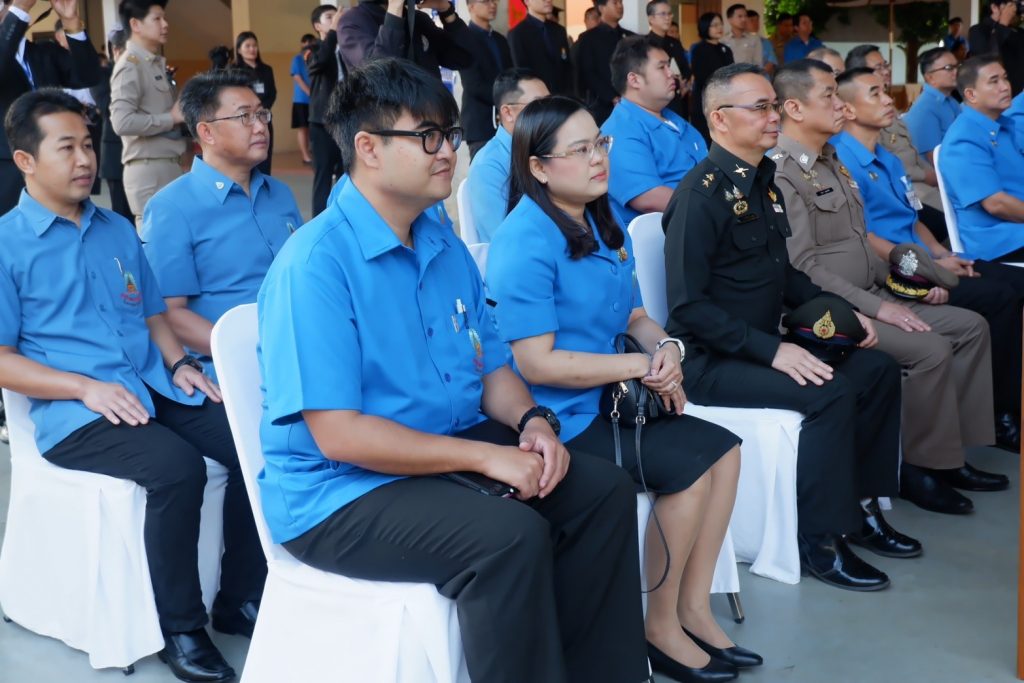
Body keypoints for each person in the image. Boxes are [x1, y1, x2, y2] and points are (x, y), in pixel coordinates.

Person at [257, 57, 652, 683]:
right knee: (507, 536)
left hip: (442, 449)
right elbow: (339, 434)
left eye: (449, 134)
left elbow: (492, 363)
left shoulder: (440, 242)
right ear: (367, 148)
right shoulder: (316, 266)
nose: (448, 152)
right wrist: (485, 458)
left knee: (599, 491)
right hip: (340, 491)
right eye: (428, 137)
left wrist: (534, 421)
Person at [0, 88, 266, 683]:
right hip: (78, 414)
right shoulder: (5, 245)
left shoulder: (117, 229)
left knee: (252, 440)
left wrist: (178, 365)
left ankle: (241, 595)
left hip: (150, 386)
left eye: (88, 145)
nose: (85, 160)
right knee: (177, 468)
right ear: (25, 160)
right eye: (65, 147)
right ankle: (182, 629)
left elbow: (151, 315)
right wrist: (79, 387)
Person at [489, 94, 756, 683]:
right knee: (687, 468)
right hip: (561, 417)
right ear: (537, 165)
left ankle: (691, 608)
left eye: (600, 144)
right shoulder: (525, 240)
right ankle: (659, 627)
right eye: (580, 149)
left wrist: (665, 350)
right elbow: (537, 362)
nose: (597, 159)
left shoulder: (602, 220)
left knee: (727, 450)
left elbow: (635, 315)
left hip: (611, 399)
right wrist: (636, 370)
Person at [663, 63, 912, 592]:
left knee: (876, 368)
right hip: (712, 362)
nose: (773, 116)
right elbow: (688, 309)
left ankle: (864, 510)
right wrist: (772, 353)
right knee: (830, 392)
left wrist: (849, 317)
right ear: (719, 120)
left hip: (760, 345)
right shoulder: (699, 197)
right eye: (760, 107)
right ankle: (820, 540)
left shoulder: (764, 183)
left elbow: (786, 276)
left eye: (773, 105)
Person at [773, 59, 1009, 515]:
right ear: (795, 109)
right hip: (832, 308)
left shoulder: (831, 161)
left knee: (970, 326)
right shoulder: (783, 173)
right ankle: (919, 469)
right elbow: (802, 267)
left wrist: (911, 289)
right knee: (931, 349)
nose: (839, 106)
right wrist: (879, 310)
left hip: (874, 291)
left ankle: (951, 452)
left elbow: (863, 245)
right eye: (829, 96)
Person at [834, 65, 1024, 453]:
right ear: (848, 110)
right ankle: (1001, 415)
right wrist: (926, 272)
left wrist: (943, 254)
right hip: (895, 270)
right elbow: (863, 236)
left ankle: (999, 408)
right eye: (875, 93)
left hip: (922, 258)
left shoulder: (885, 156)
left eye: (885, 90)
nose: (889, 99)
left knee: (1011, 284)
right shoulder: (843, 161)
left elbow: (911, 217)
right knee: (999, 297)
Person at [142, 69, 302, 384]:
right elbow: (170, 314)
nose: (260, 127)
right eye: (244, 117)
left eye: (261, 114)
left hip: (303, 348)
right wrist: (253, 347)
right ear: (207, 133)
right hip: (232, 368)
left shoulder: (280, 194)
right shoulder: (171, 208)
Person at [0, 0, 101, 214]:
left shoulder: (43, 52)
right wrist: (20, 8)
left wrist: (70, 20)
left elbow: (89, 75)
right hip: (7, 171)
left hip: (56, 166)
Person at [603, 35, 707, 224]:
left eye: (670, 66)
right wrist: (717, 207)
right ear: (634, 80)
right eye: (662, 67)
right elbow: (648, 198)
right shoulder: (620, 129)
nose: (672, 73)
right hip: (664, 237)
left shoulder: (675, 120)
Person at [846, 44, 947, 236]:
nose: (886, 71)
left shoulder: (889, 112)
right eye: (879, 67)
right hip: (910, 187)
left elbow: (911, 154)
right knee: (943, 221)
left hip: (914, 187)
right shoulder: (860, 132)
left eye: (886, 65)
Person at [941, 56, 1024, 263]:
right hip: (1000, 239)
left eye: (1005, 79)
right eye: (994, 81)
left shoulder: (1002, 125)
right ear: (971, 94)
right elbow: (996, 204)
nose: (1005, 87)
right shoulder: (964, 138)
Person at [110, 0, 186, 223]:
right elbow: (121, 122)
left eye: (164, 18)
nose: (165, 24)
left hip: (167, 164)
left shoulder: (152, 63)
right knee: (156, 249)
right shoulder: (130, 66)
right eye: (156, 18)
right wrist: (170, 119)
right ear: (135, 24)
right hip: (148, 169)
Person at [465, 68, 549, 242]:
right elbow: (504, 238)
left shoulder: (548, 147)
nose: (549, 112)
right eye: (538, 105)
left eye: (550, 103)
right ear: (508, 113)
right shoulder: (487, 166)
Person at [337, 0, 471, 77]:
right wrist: (395, 7)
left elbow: (463, 59)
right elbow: (378, 74)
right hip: (388, 123)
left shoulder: (418, 19)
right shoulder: (352, 21)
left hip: (432, 118)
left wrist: (445, 9)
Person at [459, 0, 512, 158]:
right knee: (484, 175)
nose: (492, 5)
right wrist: (505, 99)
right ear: (471, 6)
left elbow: (510, 75)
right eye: (485, 1)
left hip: (506, 122)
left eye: (494, 1)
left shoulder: (500, 39)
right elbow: (473, 84)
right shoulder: (465, 39)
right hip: (480, 123)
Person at [307, 4, 345, 216]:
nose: (336, 20)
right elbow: (319, 63)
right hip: (321, 123)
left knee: (346, 174)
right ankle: (319, 222)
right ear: (318, 26)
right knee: (323, 176)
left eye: (337, 16)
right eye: (329, 17)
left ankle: (343, 217)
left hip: (345, 120)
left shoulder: (345, 46)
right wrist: (332, 33)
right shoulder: (312, 49)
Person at [92, 27, 132, 222]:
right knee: (121, 212)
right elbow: (106, 106)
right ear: (115, 50)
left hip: (143, 149)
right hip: (116, 151)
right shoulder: (102, 74)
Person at [574, 0, 633, 125]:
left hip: (632, 102)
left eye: (621, 2)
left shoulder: (630, 37)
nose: (620, 6)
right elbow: (588, 73)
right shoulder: (588, 38)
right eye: (615, 3)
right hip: (602, 105)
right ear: (601, 8)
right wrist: (611, 97)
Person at [903, 48, 961, 162]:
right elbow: (933, 158)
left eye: (958, 66)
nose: (956, 71)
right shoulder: (924, 108)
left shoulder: (950, 101)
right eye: (949, 68)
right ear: (930, 77)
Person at [232, 31, 276, 176]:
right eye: (248, 46)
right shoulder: (234, 71)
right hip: (244, 121)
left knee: (264, 156)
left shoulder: (266, 69)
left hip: (264, 117)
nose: (252, 49)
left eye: (254, 45)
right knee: (247, 158)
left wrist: (260, 111)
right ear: (239, 49)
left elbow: (272, 93)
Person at [508, 0, 573, 96]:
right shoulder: (518, 34)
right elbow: (521, 72)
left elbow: (567, 67)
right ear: (527, 1)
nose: (548, 0)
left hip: (562, 98)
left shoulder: (559, 30)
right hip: (536, 98)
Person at [690, 12, 733, 143]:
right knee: (706, 136)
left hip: (725, 98)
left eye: (720, 24)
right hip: (705, 99)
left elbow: (732, 72)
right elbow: (701, 75)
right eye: (714, 25)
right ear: (705, 27)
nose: (719, 28)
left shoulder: (726, 49)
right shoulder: (698, 49)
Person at [646, 0, 691, 120]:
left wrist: (684, 84)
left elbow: (685, 69)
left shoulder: (675, 43)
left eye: (669, 14)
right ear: (651, 18)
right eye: (663, 14)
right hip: (656, 101)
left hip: (678, 98)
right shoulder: (644, 44)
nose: (667, 18)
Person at [291, 34, 315, 165]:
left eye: (311, 42)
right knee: (303, 128)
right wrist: (310, 92)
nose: (308, 45)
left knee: (313, 128)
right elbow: (297, 78)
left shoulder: (315, 58)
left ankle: (313, 153)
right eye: (306, 43)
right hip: (301, 100)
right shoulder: (297, 59)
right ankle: (305, 156)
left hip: (315, 101)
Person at [746, 11, 778, 76]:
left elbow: (771, 62)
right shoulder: (740, 42)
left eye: (757, 20)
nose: (755, 23)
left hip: (762, 79)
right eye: (752, 20)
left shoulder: (765, 42)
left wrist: (759, 75)